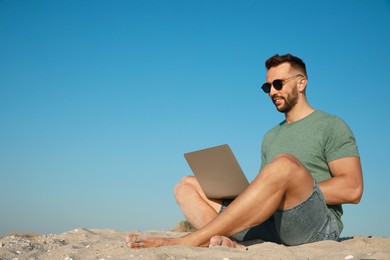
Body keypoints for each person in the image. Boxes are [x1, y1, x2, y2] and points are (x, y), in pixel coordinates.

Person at [126, 53, 363, 249]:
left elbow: (353, 189)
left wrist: (284, 188)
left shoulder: (331, 125)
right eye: (267, 86)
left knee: (284, 165)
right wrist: (261, 192)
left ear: (302, 83)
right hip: (272, 223)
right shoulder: (270, 137)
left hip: (316, 225)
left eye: (278, 84)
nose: (272, 92)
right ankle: (228, 241)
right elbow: (269, 183)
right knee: (186, 185)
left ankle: (191, 240)